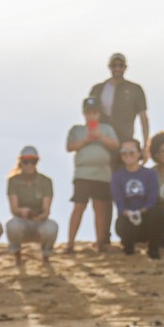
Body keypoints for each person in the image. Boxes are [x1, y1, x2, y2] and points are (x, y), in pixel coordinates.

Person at [64, 97, 118, 253]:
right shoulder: (77, 129)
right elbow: (69, 146)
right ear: (84, 113)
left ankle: (100, 243)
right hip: (82, 173)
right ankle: (70, 243)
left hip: (102, 174)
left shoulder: (106, 129)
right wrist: (86, 140)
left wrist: (100, 136)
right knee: (79, 206)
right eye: (89, 112)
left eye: (94, 112)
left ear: (99, 113)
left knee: (99, 208)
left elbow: (116, 145)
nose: (91, 115)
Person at [89, 53, 149, 158]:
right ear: (109, 67)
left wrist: (145, 146)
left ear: (125, 67)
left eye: (120, 65)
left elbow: (143, 118)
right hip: (102, 140)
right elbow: (89, 115)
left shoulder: (135, 89)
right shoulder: (98, 89)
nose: (117, 68)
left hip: (124, 141)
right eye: (114, 65)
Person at [110, 139, 162, 259]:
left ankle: (153, 250)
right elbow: (119, 202)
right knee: (123, 223)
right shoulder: (117, 176)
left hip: (146, 217)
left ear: (139, 153)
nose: (128, 155)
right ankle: (129, 250)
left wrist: (141, 211)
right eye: (124, 152)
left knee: (157, 214)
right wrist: (129, 213)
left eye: (132, 152)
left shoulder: (150, 174)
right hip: (127, 219)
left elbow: (152, 198)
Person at [6, 146, 57, 266]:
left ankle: (46, 256)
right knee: (12, 225)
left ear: (37, 162)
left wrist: (39, 216)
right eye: (26, 161)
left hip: (39, 222)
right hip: (22, 221)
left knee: (52, 227)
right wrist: (22, 211)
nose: (29, 165)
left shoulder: (46, 181)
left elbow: (46, 210)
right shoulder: (13, 181)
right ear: (21, 162)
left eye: (33, 161)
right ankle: (17, 255)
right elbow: (13, 209)